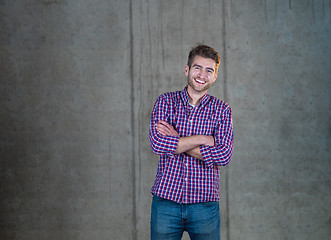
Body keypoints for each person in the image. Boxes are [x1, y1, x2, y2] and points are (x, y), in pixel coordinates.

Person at [149, 44, 234, 240]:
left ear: (215, 76)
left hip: (204, 205)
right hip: (166, 202)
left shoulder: (222, 110)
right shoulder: (165, 102)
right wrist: (204, 139)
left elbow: (224, 155)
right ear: (187, 69)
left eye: (209, 70)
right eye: (198, 67)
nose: (202, 75)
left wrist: (176, 141)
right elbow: (158, 144)